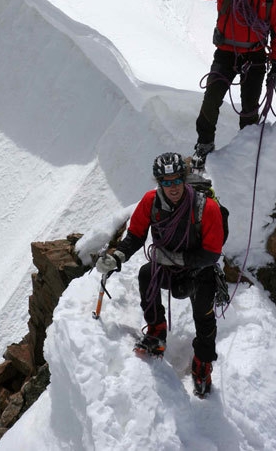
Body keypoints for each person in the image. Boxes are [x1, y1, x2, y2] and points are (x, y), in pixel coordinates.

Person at [95, 152, 225, 396]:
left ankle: (203, 364)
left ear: (184, 179)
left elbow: (211, 254)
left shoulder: (206, 208)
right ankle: (156, 330)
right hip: (168, 268)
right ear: (159, 183)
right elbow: (135, 236)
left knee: (204, 320)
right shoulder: (150, 202)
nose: (172, 187)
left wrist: (174, 258)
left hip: (199, 272)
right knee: (146, 276)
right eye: (166, 182)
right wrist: (117, 258)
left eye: (176, 180)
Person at [190, 0, 276, 167]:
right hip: (226, 54)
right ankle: (204, 145)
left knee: (250, 108)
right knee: (211, 100)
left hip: (255, 57)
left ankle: (246, 149)